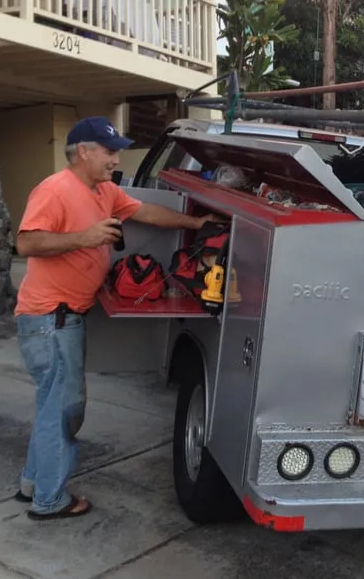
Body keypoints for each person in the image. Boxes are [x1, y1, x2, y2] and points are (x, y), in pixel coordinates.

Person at [14, 116, 214, 521]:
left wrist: (196, 223)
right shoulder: (55, 189)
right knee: (65, 410)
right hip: (49, 320)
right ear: (84, 151)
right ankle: (49, 501)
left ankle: (33, 483)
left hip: (66, 319)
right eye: (109, 151)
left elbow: (147, 213)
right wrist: (83, 239)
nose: (115, 158)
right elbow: (26, 242)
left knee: (54, 406)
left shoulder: (104, 190)